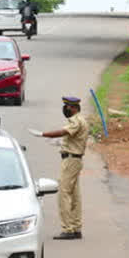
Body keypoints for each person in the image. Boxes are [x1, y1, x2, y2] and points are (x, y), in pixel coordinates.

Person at [28, 96, 89, 240]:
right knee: (74, 195)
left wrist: (44, 134)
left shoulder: (76, 120)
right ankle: (75, 227)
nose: (65, 109)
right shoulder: (81, 120)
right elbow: (70, 138)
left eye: (67, 106)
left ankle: (68, 229)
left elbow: (64, 132)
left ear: (74, 107)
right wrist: (60, 144)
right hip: (74, 159)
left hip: (70, 161)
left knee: (63, 193)